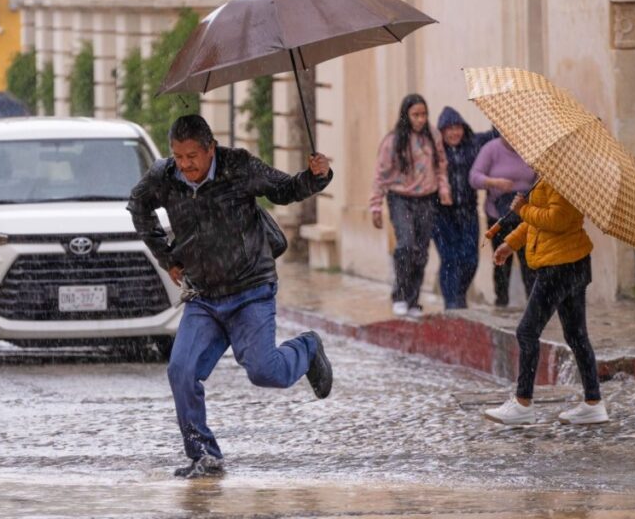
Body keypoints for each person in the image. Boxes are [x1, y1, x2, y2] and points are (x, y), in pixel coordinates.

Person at [128, 114, 334, 479]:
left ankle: (308, 349)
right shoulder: (164, 177)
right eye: (178, 156)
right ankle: (203, 455)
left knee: (265, 371)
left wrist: (316, 177)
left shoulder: (238, 166)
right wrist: (167, 258)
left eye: (192, 155)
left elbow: (283, 190)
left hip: (250, 290)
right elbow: (138, 206)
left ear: (210, 149)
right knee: (181, 370)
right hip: (205, 297)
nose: (185, 165)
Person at [483, 180, 609, 425]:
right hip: (570, 263)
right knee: (576, 335)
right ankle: (593, 403)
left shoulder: (565, 181)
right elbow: (536, 223)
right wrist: (510, 244)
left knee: (527, 331)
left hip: (559, 267)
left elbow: (557, 220)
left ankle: (523, 403)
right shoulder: (547, 177)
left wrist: (523, 209)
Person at [370, 94, 451, 319]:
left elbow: (441, 166)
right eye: (416, 115)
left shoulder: (433, 136)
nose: (420, 119)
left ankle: (414, 299)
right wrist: (375, 206)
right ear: (406, 115)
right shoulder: (393, 141)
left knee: (421, 251)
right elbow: (380, 175)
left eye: (423, 114)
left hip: (427, 198)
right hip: (400, 198)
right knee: (405, 244)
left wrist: (444, 190)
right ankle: (400, 295)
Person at [432, 106, 498, 309]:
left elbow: (494, 134)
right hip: (441, 214)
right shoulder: (434, 151)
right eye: (449, 129)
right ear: (441, 132)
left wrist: (499, 115)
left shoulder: (473, 143)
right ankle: (453, 302)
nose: (454, 133)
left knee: (470, 259)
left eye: (457, 128)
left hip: (468, 211)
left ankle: (458, 294)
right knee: (449, 258)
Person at [470, 136, 537, 306]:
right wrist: (494, 182)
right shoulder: (491, 149)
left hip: (526, 212)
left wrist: (529, 194)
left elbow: (539, 178)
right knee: (501, 259)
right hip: (499, 215)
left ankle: (534, 304)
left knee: (529, 259)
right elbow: (474, 177)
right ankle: (502, 301)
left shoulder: (532, 150)